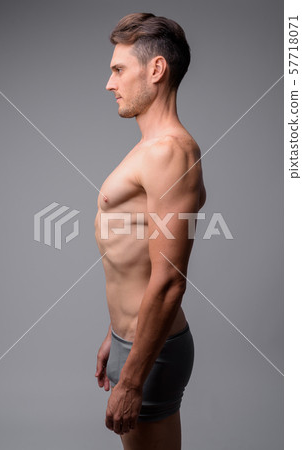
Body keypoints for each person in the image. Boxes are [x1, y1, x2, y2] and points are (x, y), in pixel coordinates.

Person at [94, 12, 206, 450]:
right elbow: (134, 255)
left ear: (156, 70)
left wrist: (132, 379)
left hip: (151, 352)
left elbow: (169, 281)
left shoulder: (169, 153)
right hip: (135, 340)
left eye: (119, 69)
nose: (109, 83)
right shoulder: (149, 149)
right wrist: (114, 332)